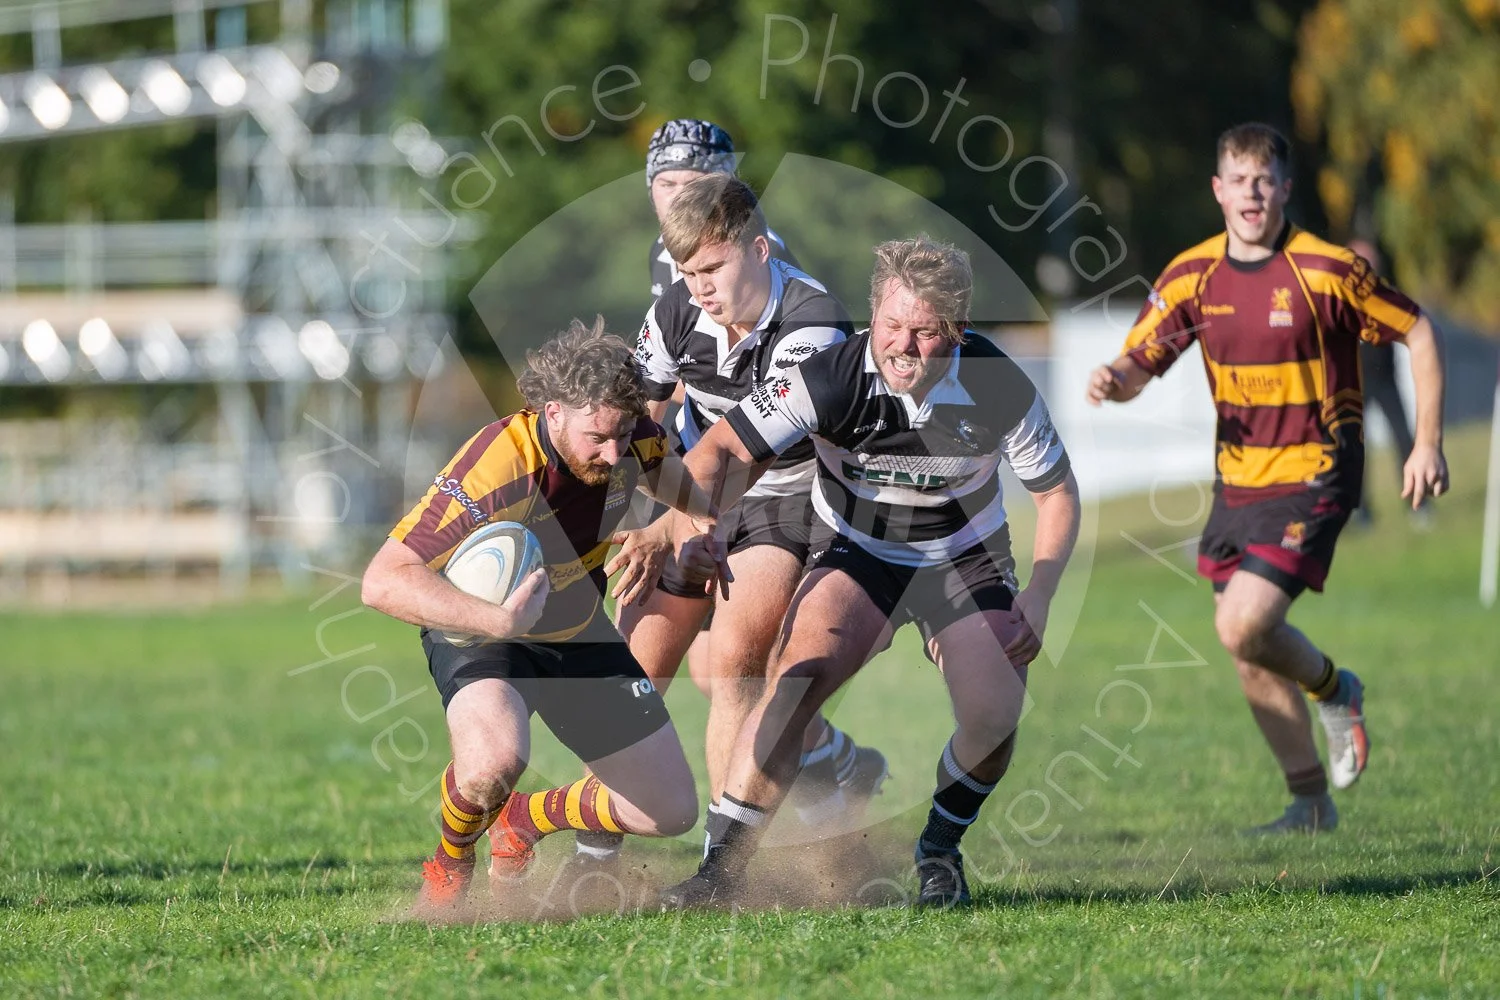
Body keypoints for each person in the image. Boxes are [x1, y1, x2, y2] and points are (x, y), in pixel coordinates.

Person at [661, 236, 1081, 909]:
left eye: (924, 332)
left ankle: (939, 850)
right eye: (891, 326)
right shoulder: (828, 377)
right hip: (860, 551)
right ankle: (720, 874)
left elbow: (1056, 493)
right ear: (871, 319)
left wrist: (1041, 592)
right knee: (794, 680)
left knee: (993, 718)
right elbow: (717, 450)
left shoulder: (998, 384)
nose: (903, 348)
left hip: (963, 561)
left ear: (958, 330)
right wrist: (698, 521)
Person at [494, 173, 887, 875]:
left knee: (735, 657)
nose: (698, 287)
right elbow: (637, 415)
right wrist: (644, 517)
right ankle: (597, 846)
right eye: (685, 272)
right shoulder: (678, 308)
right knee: (629, 669)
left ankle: (722, 864)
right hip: (685, 490)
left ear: (759, 250)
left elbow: (747, 449)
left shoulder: (814, 322)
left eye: (711, 269)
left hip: (785, 498)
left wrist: (673, 519)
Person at [1085, 123, 1448, 834]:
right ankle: (1311, 802)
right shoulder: (1192, 275)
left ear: (1284, 188)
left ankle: (1336, 689)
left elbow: (1421, 332)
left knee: (1243, 622)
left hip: (1318, 470)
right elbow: (1140, 363)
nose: (1252, 192)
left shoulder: (1328, 270)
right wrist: (1111, 378)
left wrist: (1426, 443)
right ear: (1218, 191)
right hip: (1238, 482)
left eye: (1265, 179)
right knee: (1246, 649)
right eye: (1238, 179)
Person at [360, 318, 720, 911]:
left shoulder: (633, 440)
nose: (612, 452)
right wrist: (498, 620)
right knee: (493, 764)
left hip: (576, 627)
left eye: (624, 433)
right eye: (597, 436)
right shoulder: (499, 466)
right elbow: (382, 581)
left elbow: (667, 474)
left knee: (670, 811)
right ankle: (451, 861)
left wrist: (705, 524)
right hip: (482, 630)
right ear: (553, 412)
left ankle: (526, 816)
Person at [645, 118, 798, 302]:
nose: (679, 197)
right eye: (667, 184)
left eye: (693, 184)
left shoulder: (758, 250)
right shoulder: (660, 248)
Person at [1347, 237, 1430, 529]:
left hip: (1386, 381)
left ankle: (1418, 504)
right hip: (1355, 383)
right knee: (1353, 448)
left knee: (1404, 440)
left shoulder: (1386, 295)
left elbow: (1414, 330)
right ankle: (1361, 511)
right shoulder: (1342, 297)